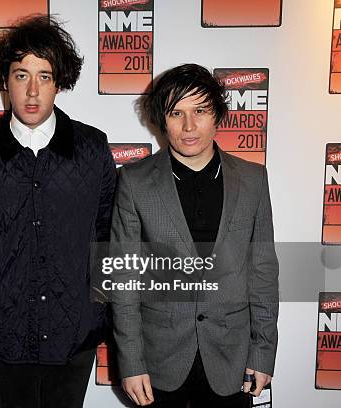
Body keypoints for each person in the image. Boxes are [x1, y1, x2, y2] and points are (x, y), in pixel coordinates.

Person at [0, 14, 117, 408]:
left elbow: (110, 242)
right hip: (7, 338)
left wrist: (107, 324)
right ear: (4, 80)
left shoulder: (92, 148)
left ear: (60, 81)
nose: (32, 91)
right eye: (22, 75)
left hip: (74, 338)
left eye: (44, 76)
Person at [110, 63, 279, 407]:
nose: (188, 127)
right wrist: (130, 362)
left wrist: (262, 354)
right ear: (162, 120)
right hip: (160, 361)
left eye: (200, 111)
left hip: (232, 360)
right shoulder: (134, 181)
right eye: (176, 113)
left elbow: (263, 274)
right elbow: (124, 278)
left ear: (217, 114)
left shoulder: (253, 180)